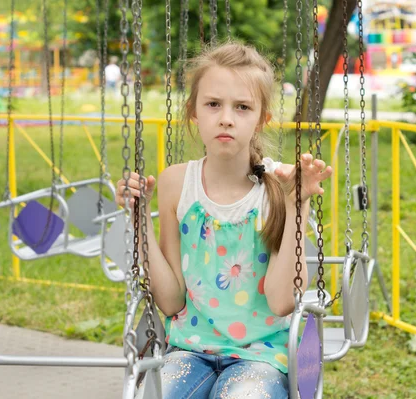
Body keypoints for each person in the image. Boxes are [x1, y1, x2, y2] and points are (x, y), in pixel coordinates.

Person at [116, 42, 332, 399]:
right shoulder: (175, 184)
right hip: (188, 351)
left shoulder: (278, 187)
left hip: (262, 357)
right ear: (194, 111)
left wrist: (298, 204)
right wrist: (140, 220)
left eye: (242, 107)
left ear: (262, 118)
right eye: (213, 104)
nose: (226, 118)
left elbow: (281, 301)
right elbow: (171, 302)